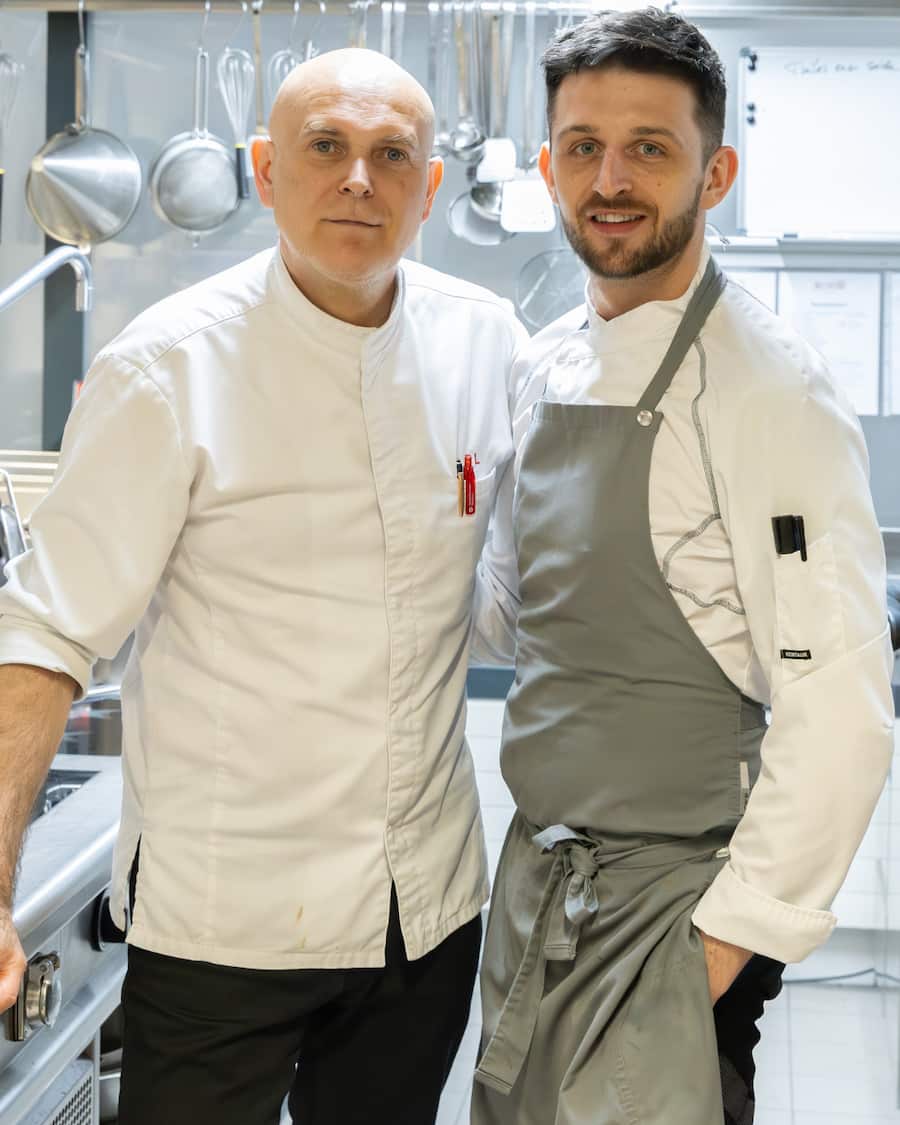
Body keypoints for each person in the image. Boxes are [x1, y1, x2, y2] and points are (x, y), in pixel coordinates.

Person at [0, 49, 525, 1125]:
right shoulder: (171, 368)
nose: (358, 181)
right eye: (325, 147)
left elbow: (499, 606)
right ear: (267, 169)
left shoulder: (486, 346)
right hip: (224, 924)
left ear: (429, 189)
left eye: (392, 157)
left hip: (418, 921)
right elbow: (48, 633)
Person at [470, 9, 895, 1125]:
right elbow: (519, 615)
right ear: (552, 163)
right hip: (538, 881)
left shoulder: (769, 391)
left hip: (677, 904)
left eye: (650, 148)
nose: (610, 180)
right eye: (581, 147)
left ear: (717, 174)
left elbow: (841, 711)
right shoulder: (546, 361)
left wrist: (720, 947)